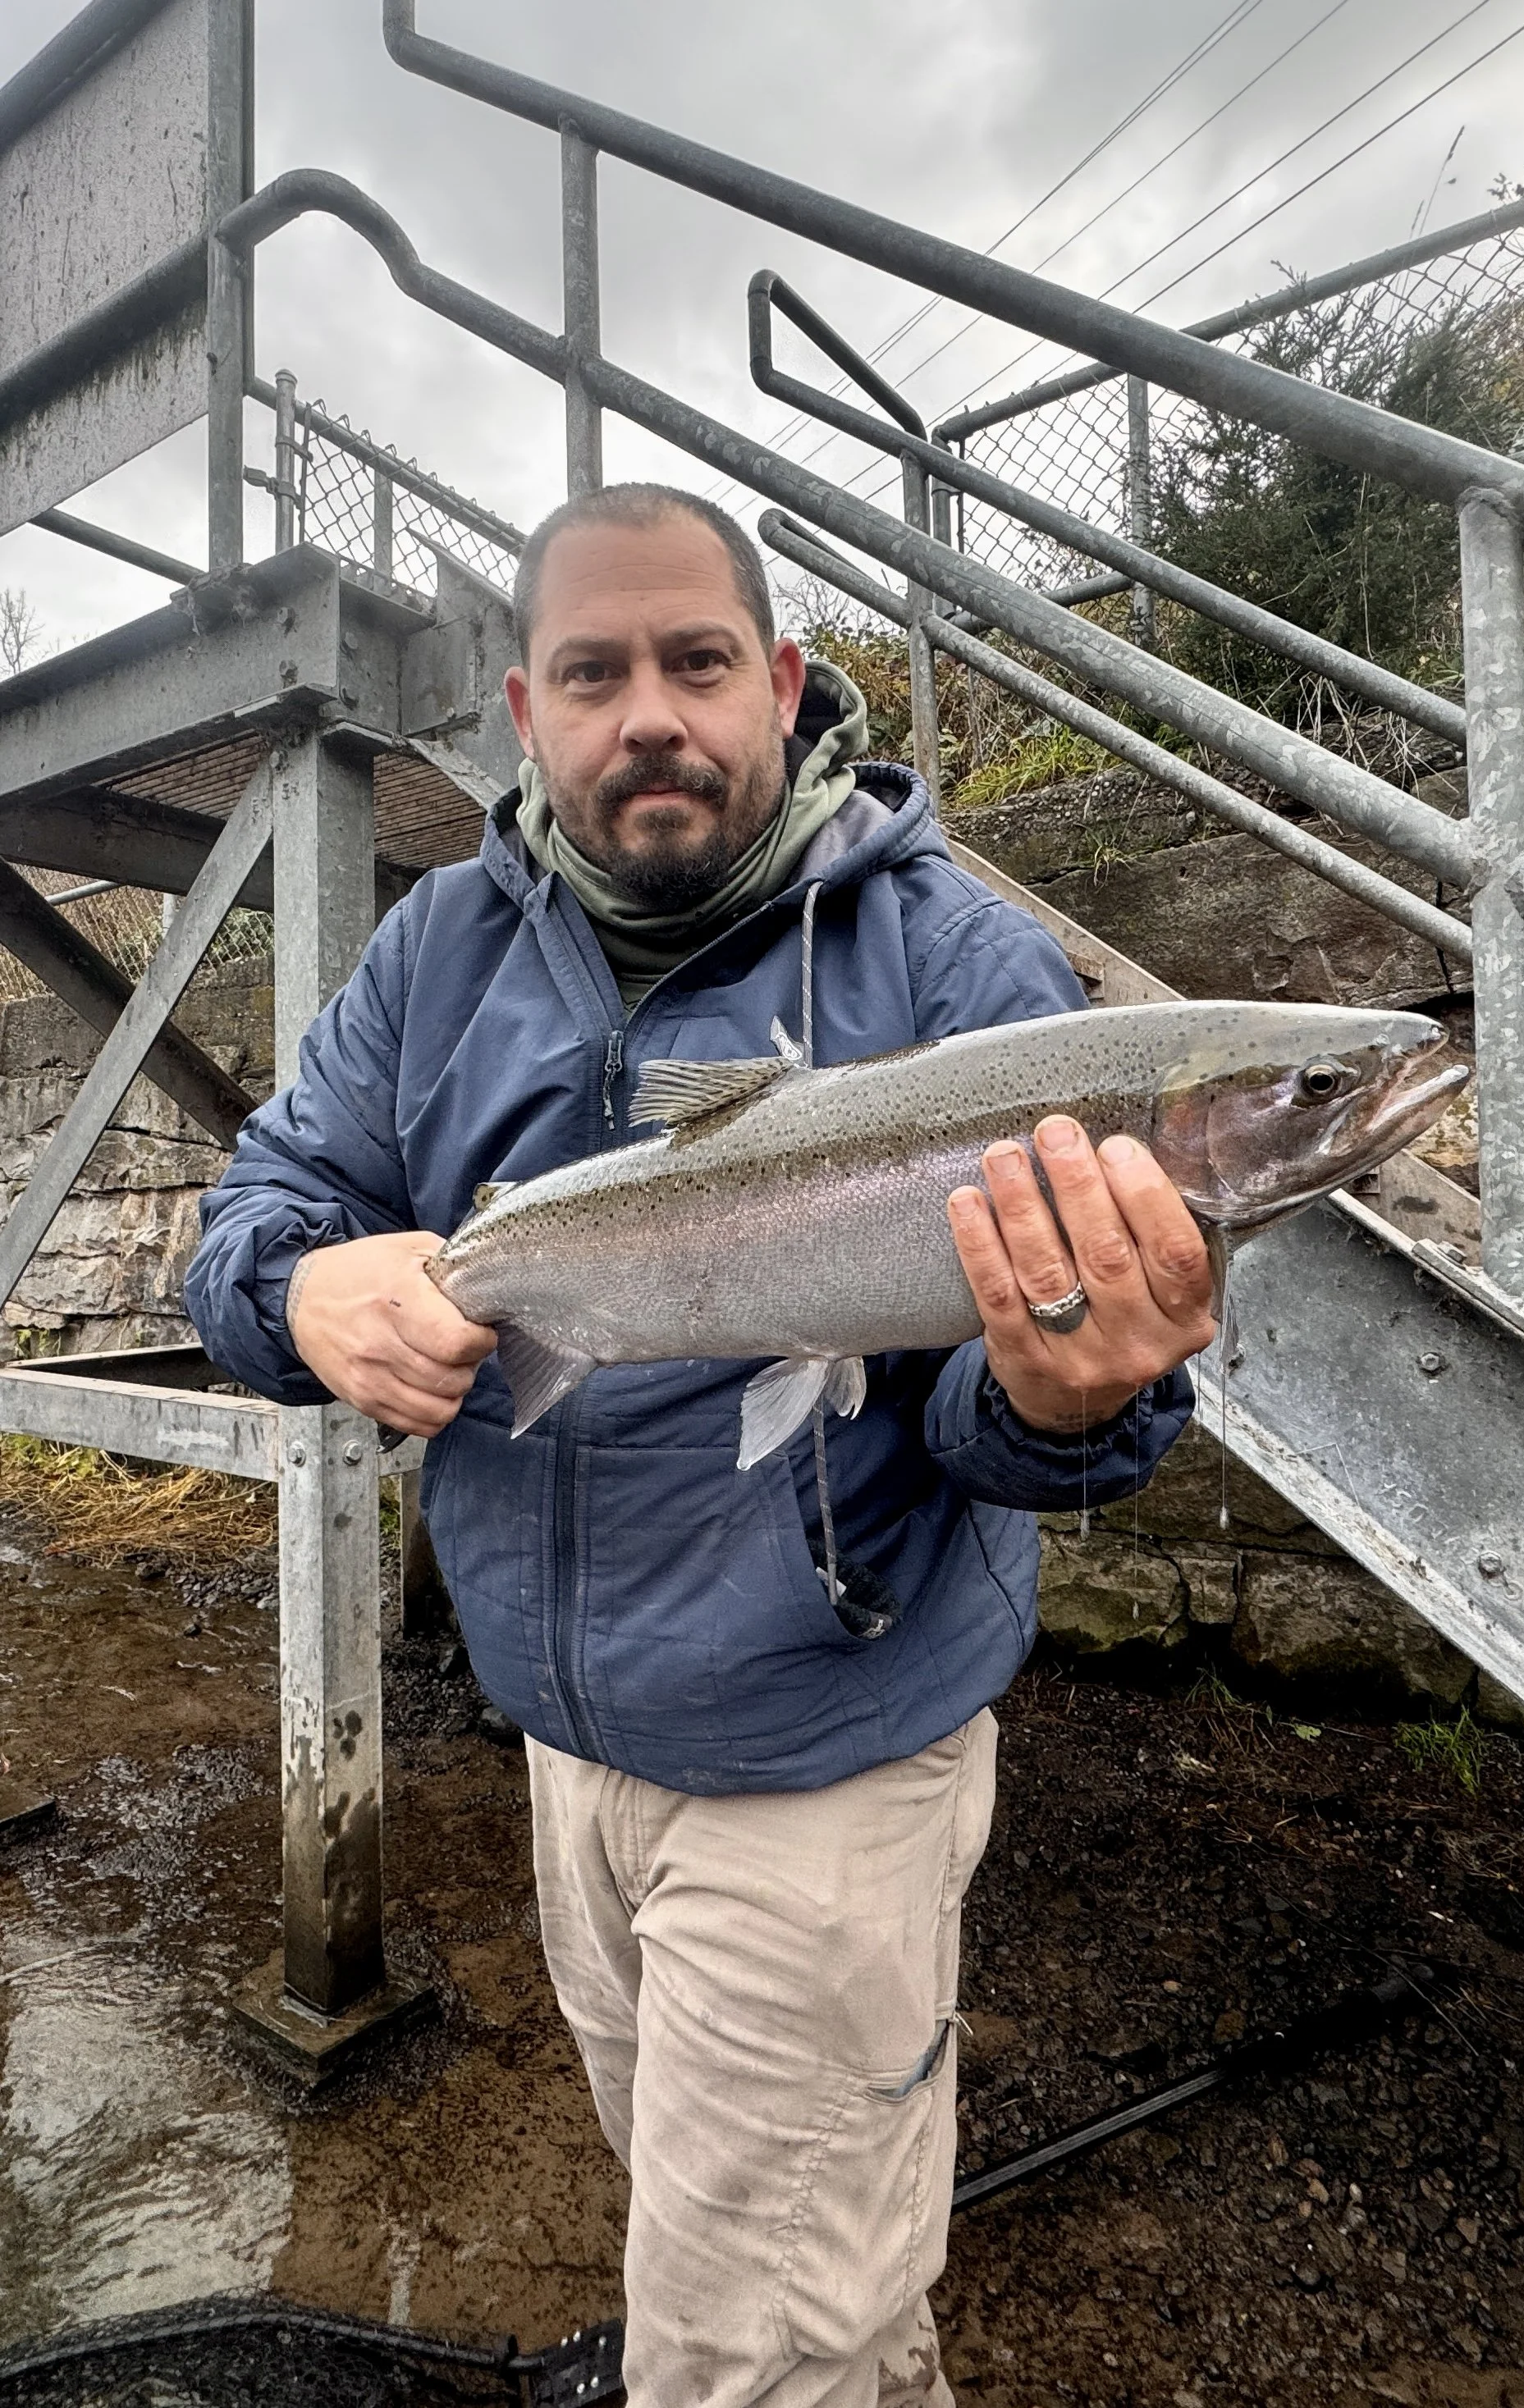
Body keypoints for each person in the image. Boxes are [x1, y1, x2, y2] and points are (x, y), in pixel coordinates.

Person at [186, 485, 1215, 2408]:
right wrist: (301, 1297)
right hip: (564, 1758)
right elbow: (250, 1215)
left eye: (694, 662)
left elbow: (1022, 1430)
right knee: (782, 2292)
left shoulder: (959, 968)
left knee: (737, 2363)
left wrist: (1076, 1394)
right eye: (593, 672)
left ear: (785, 682)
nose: (645, 713)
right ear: (522, 708)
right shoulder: (433, 956)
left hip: (823, 1774)